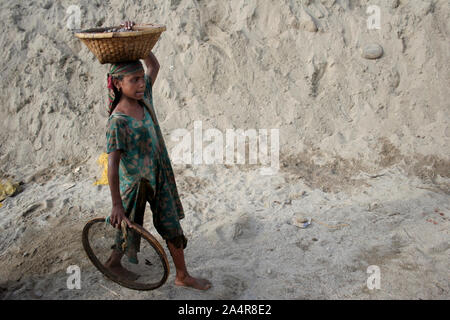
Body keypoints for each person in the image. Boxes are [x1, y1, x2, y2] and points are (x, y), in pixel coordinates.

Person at [103, 21, 211, 290]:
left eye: (141, 78)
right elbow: (112, 166)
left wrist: (139, 43)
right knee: (128, 226)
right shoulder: (117, 121)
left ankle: (182, 275)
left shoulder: (144, 98)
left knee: (171, 224)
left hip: (159, 175)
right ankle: (114, 263)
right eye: (133, 80)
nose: (141, 83)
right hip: (134, 184)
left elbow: (154, 66)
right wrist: (116, 203)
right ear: (117, 84)